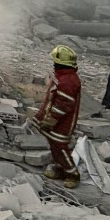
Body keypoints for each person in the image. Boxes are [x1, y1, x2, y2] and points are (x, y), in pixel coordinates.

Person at [34, 45, 82, 189]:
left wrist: (49, 121)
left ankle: (72, 174)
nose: (53, 64)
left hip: (62, 122)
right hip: (56, 121)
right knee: (55, 146)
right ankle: (60, 169)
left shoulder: (68, 80)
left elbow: (62, 105)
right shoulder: (64, 76)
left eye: (55, 61)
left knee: (60, 147)